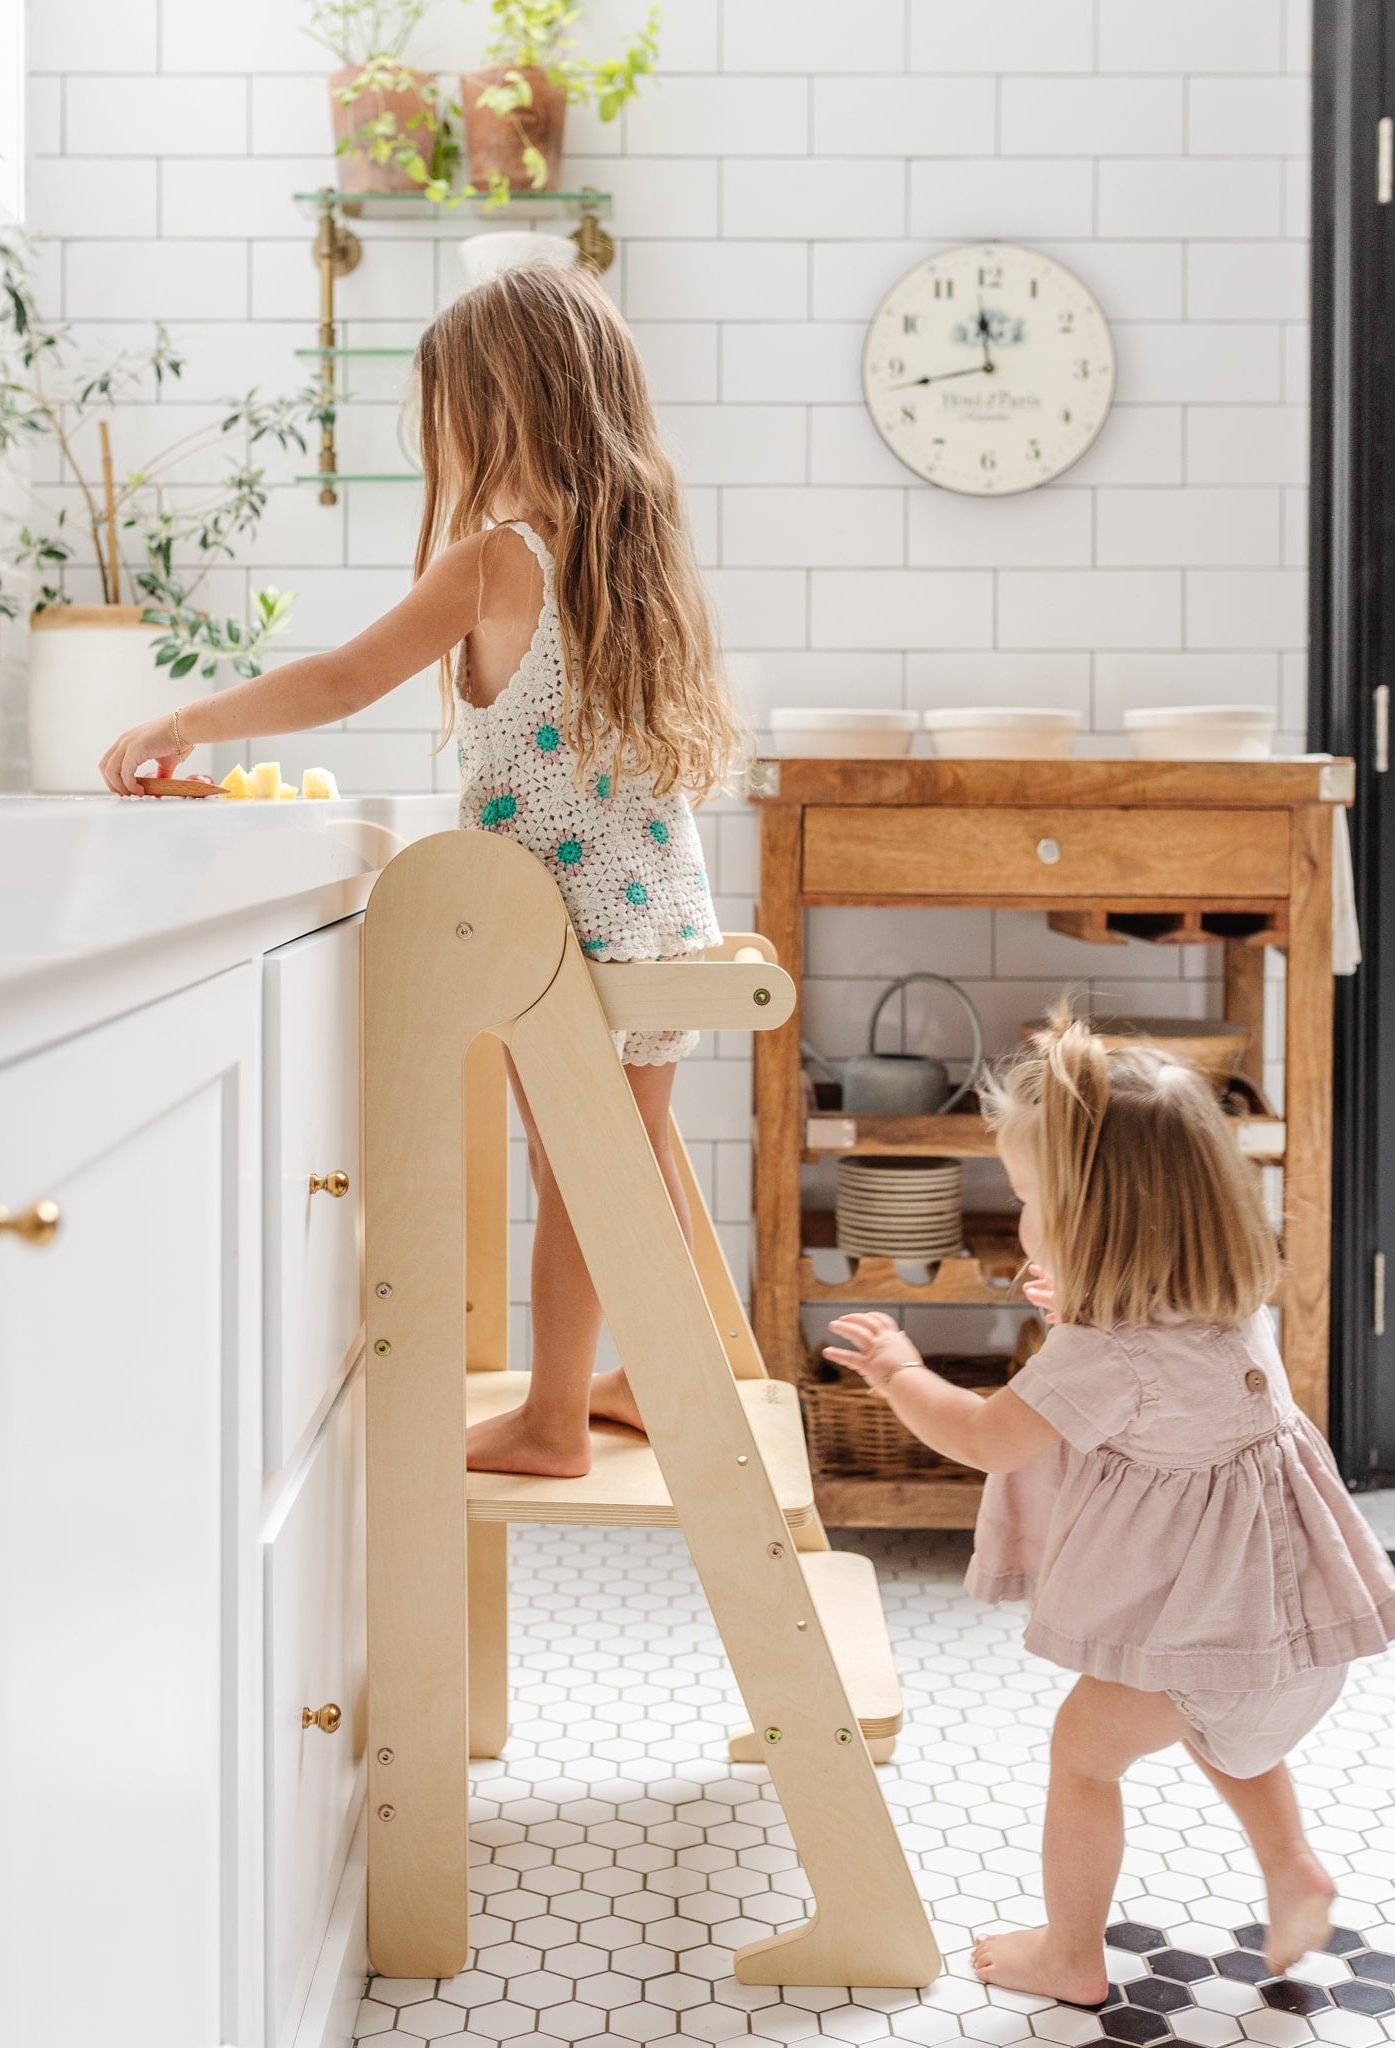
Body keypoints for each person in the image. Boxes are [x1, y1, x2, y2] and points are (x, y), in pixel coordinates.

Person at [99, 265, 743, 1479]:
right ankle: (655, 1373)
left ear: (500, 408)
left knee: (573, 1176)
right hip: (658, 912)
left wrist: (189, 719)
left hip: (561, 937)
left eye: (447, 406)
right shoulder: (631, 547)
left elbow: (342, 679)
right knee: (632, 1160)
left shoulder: (498, 559)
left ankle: (554, 1418)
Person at [825, 1008, 1395, 2004]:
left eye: (1030, 1196)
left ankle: (1071, 1952)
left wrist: (899, 1368)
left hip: (1226, 1641)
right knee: (1208, 1721)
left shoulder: (1104, 1355)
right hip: (1297, 1644)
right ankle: (1293, 1866)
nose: (1021, 1215)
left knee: (1081, 1757)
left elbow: (982, 1435)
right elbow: (1156, 1373)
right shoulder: (1232, 1309)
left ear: (1098, 1221)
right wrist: (1077, 1304)